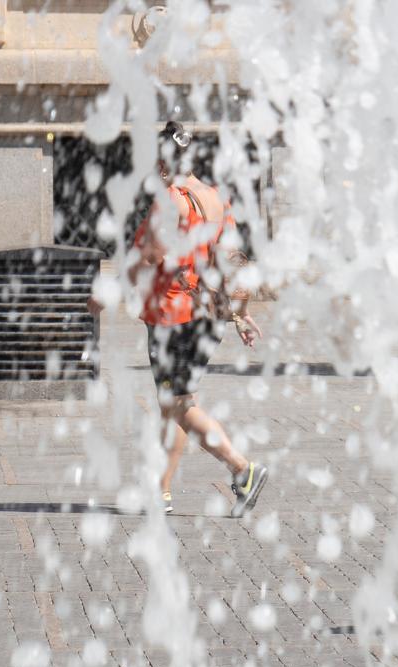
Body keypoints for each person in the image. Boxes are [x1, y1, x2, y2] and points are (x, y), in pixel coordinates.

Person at [93, 121, 268, 517]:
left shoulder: (168, 201)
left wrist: (105, 295)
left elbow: (149, 259)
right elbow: (233, 260)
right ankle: (161, 491)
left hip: (174, 320)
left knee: (179, 404)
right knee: (175, 403)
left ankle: (243, 469)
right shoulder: (215, 197)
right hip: (205, 318)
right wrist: (239, 314)